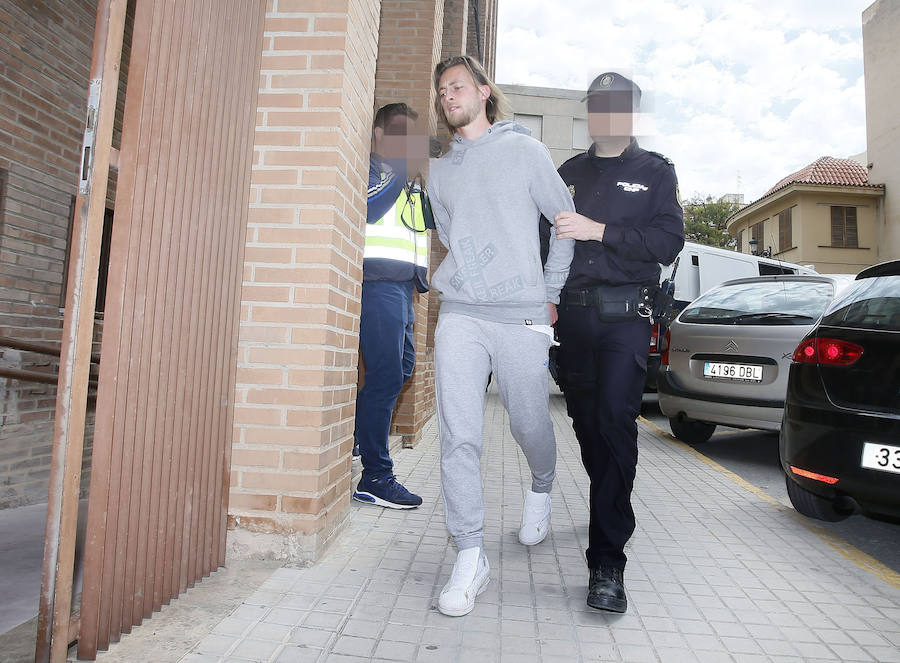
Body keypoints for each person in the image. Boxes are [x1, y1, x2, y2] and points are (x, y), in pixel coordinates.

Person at [427, 55, 575, 617]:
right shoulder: (439, 171)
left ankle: (542, 479)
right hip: (460, 312)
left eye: (458, 85)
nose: (448, 96)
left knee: (527, 419)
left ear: (484, 92)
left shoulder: (525, 151)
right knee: (458, 434)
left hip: (520, 314)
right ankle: (469, 554)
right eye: (442, 90)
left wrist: (551, 293)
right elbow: (452, 236)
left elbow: (565, 221)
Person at [552, 72, 684, 613]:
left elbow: (668, 240)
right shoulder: (568, 173)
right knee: (587, 425)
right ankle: (607, 498)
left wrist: (598, 230)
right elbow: (543, 237)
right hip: (573, 322)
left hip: (625, 320)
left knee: (613, 422)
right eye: (598, 105)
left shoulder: (655, 172)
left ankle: (608, 558)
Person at [352, 103, 433, 510]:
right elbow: (365, 209)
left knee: (401, 369)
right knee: (386, 373)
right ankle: (376, 475)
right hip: (377, 284)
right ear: (381, 136)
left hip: (402, 289)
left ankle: (358, 434)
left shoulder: (410, 182)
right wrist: (402, 169)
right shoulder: (371, 171)